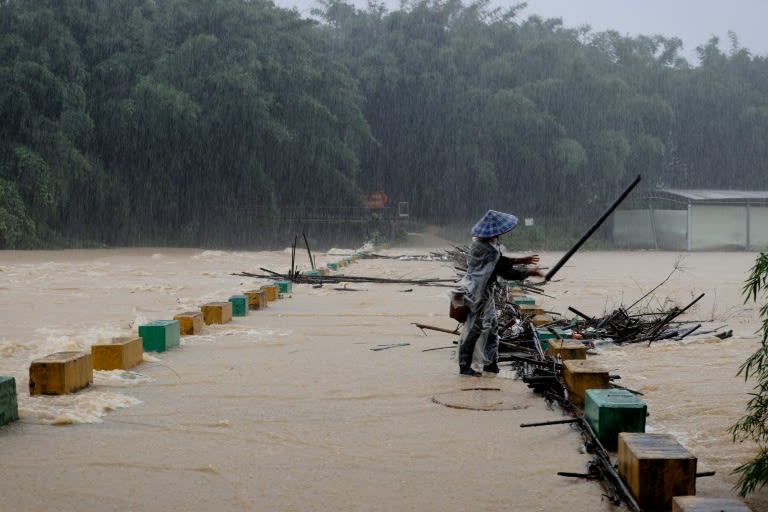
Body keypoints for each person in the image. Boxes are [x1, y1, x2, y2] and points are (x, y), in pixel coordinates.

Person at [453, 210, 543, 376]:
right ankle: (464, 367)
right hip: (477, 294)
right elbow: (504, 270)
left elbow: (499, 263)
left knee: (492, 328)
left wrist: (522, 263)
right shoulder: (486, 248)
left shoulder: (481, 244)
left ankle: (490, 364)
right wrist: (528, 271)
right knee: (474, 329)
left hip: (484, 292)